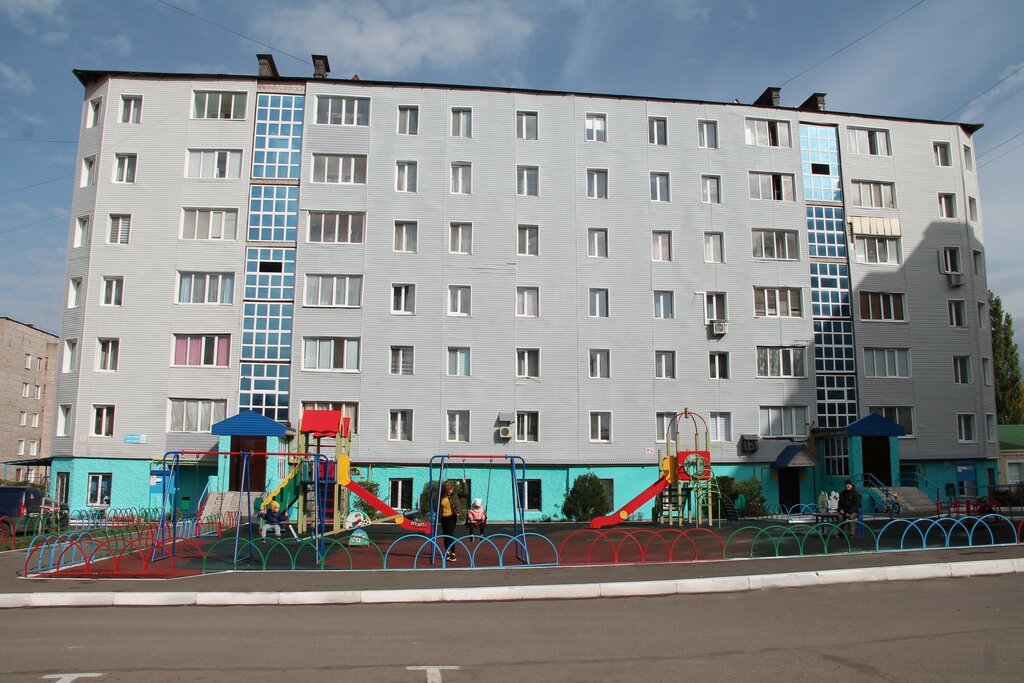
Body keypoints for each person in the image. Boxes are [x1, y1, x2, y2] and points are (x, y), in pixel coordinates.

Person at [439, 482, 461, 561]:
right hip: (443, 517)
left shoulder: (454, 495)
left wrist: (464, 482)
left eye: (450, 490)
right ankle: (447, 552)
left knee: (450, 535)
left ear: (452, 489)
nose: (448, 491)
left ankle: (453, 553)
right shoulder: (441, 496)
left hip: (452, 517)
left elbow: (465, 493)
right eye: (447, 490)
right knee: (445, 536)